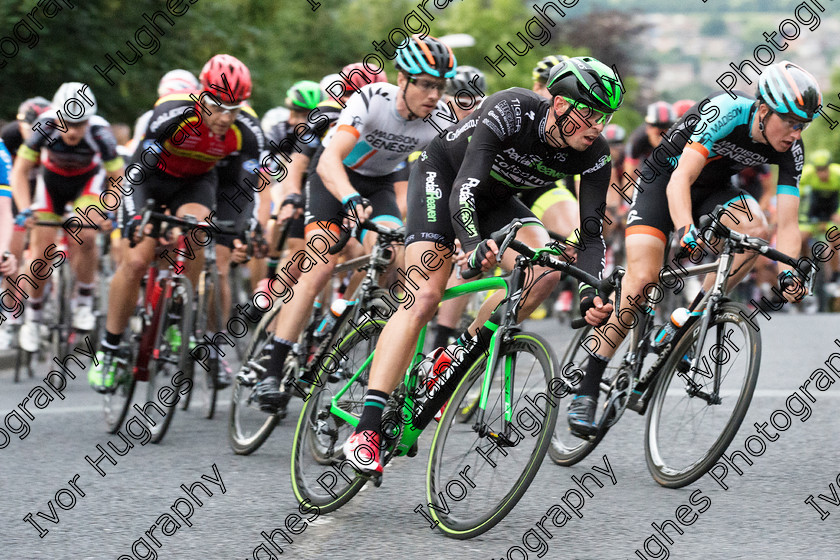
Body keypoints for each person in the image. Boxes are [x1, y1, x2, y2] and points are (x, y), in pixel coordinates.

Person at [343, 56, 624, 476]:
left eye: (605, 117)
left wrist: (589, 293)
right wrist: (473, 245)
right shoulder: (512, 109)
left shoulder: (595, 154)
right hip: (446, 178)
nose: (597, 126)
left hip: (498, 200)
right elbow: (465, 188)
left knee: (544, 270)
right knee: (424, 296)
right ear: (562, 105)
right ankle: (366, 429)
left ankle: (458, 352)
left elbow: (591, 234)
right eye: (590, 113)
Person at [569, 61, 822, 436]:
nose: (796, 133)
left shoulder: (791, 151)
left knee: (756, 229)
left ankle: (689, 320)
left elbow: (786, 225)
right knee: (641, 282)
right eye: (791, 122)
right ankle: (588, 386)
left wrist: (788, 271)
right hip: (663, 183)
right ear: (765, 110)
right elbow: (680, 180)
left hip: (713, 192)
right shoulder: (725, 111)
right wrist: (686, 229)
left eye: (804, 125)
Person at [252, 35, 459, 412]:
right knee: (320, 262)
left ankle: (353, 322)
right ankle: (274, 363)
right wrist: (348, 197)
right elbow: (330, 159)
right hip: (334, 177)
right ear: (402, 79)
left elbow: (452, 178)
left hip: (378, 185)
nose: (433, 95)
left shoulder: (440, 119)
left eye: (440, 87)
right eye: (425, 84)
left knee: (395, 254)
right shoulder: (371, 100)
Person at [87, 54, 263, 392]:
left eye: (235, 108)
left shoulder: (247, 130)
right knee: (137, 260)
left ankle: (177, 310)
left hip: (195, 183)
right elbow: (136, 172)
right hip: (152, 180)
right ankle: (109, 349)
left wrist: (240, 228)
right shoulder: (172, 113)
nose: (225, 118)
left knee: (199, 231)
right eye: (218, 106)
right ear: (201, 96)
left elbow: (242, 188)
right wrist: (137, 216)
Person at [11, 83, 123, 352]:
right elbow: (19, 172)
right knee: (41, 251)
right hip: (51, 185)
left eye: (80, 124)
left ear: (89, 120)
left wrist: (109, 209)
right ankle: (34, 317)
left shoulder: (100, 132)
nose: (73, 131)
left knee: (86, 234)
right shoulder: (44, 127)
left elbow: (116, 177)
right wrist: (26, 210)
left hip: (85, 184)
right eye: (68, 123)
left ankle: (84, 298)